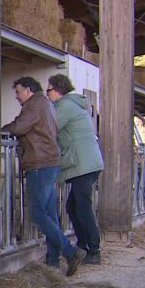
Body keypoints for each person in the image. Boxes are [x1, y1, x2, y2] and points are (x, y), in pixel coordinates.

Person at [3, 77, 86, 276]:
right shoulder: (46, 104)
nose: (17, 96)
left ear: (29, 90)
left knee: (37, 213)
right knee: (49, 213)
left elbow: (19, 126)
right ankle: (52, 260)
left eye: (19, 92)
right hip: (50, 162)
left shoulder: (35, 105)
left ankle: (70, 251)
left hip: (39, 164)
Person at [46, 74, 104, 265]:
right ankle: (84, 245)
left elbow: (50, 128)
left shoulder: (65, 107)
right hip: (87, 162)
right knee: (74, 206)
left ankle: (93, 249)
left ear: (57, 90)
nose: (48, 95)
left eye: (49, 91)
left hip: (82, 164)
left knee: (82, 206)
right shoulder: (73, 104)